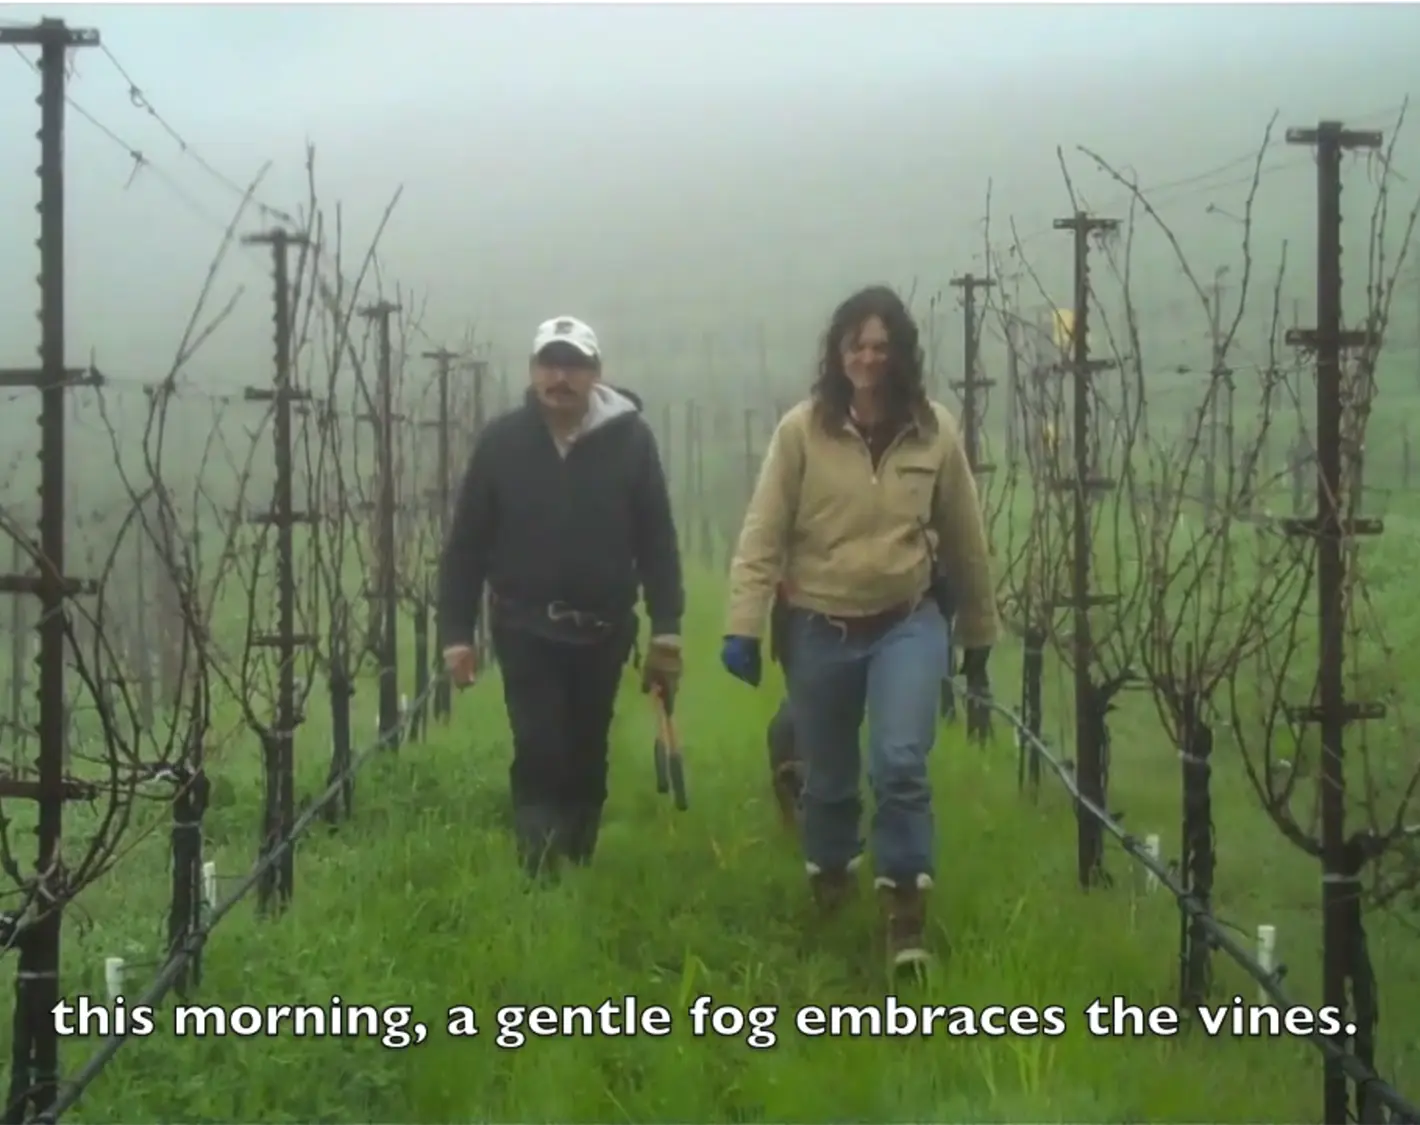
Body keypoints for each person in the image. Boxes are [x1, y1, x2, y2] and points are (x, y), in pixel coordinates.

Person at [721, 284, 999, 970]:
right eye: (857, 345)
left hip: (908, 619)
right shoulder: (801, 432)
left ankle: (905, 911)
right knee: (831, 775)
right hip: (819, 625)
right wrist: (744, 624)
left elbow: (966, 537)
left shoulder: (935, 431)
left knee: (901, 759)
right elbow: (763, 532)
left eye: (881, 346)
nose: (869, 358)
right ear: (838, 353)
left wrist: (979, 633)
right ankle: (833, 880)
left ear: (899, 353)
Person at [437, 315, 685, 878]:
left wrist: (666, 629)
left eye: (573, 365)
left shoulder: (631, 442)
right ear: (532, 372)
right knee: (539, 741)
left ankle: (578, 853)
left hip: (602, 630)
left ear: (596, 374)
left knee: (586, 747)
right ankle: (539, 868)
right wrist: (456, 634)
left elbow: (657, 540)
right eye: (549, 364)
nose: (560, 377)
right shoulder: (502, 443)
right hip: (524, 626)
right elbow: (466, 545)